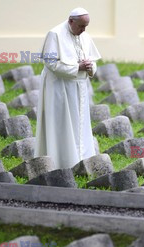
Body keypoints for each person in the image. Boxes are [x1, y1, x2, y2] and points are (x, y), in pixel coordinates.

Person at [35, 7, 101, 169]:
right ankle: (62, 162)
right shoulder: (54, 34)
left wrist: (89, 66)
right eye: (81, 26)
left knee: (80, 123)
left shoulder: (84, 35)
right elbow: (50, 63)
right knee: (61, 123)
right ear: (71, 21)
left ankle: (81, 160)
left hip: (79, 89)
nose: (84, 30)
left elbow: (93, 60)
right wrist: (77, 67)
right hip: (59, 88)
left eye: (86, 26)